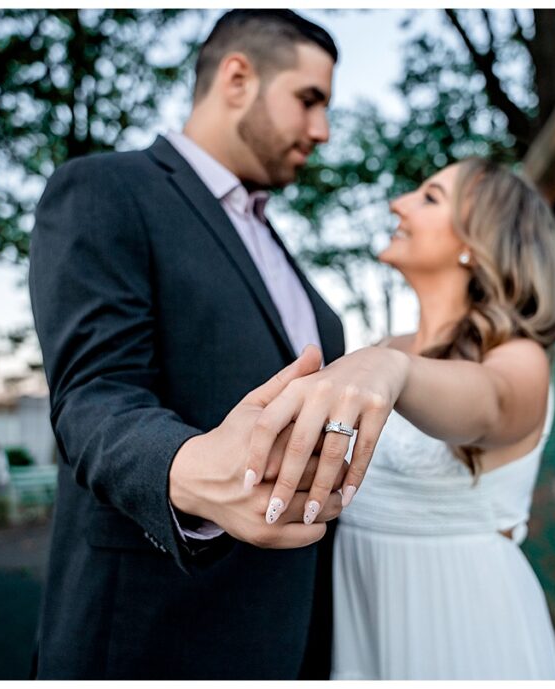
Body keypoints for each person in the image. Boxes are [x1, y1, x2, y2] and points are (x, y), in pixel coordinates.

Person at [27, 10, 386, 679]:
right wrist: (192, 465)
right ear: (238, 77)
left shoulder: (279, 248)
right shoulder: (107, 189)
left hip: (295, 639)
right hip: (154, 640)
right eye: (310, 100)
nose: (322, 131)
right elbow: (92, 394)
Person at [243, 158, 555, 679]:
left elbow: (490, 403)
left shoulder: (516, 358)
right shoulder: (376, 351)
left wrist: (393, 369)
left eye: (430, 197)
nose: (399, 202)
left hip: (466, 626)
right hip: (358, 618)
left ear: (475, 242)